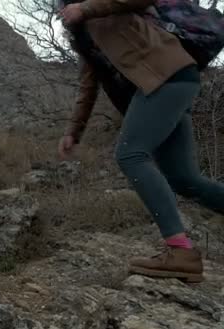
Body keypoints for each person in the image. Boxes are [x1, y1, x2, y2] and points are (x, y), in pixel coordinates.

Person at [57, 0, 224, 283]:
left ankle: (179, 251)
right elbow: (88, 83)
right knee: (183, 178)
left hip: (169, 75)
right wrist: (74, 131)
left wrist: (86, 8)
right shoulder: (82, 32)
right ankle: (181, 252)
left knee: (130, 155)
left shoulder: (99, 6)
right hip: (163, 85)